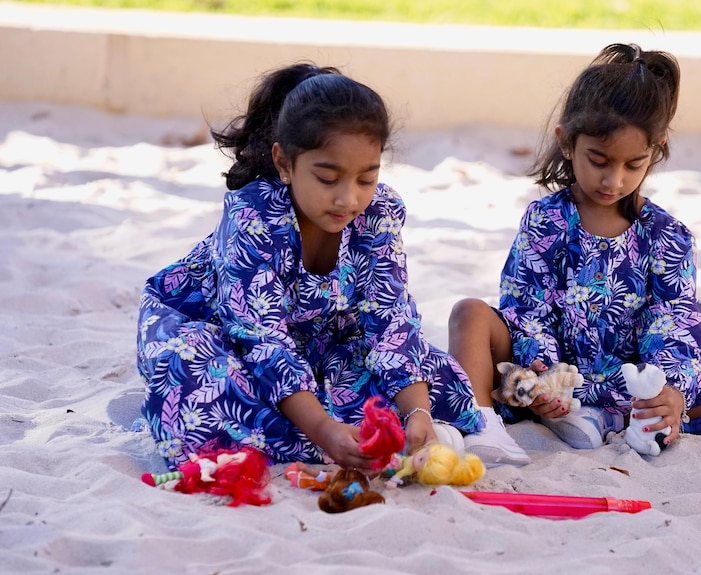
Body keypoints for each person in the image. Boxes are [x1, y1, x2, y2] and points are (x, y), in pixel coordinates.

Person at [137, 63, 484, 474]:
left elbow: (390, 321)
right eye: (327, 178)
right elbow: (261, 338)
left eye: (366, 178)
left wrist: (417, 417)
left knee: (435, 381)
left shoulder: (381, 211)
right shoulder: (254, 216)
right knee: (193, 375)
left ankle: (319, 429)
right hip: (224, 332)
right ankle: (316, 433)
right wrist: (323, 430)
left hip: (321, 338)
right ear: (284, 163)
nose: (348, 199)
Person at [448, 43, 701, 466]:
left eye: (633, 164)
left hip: (629, 380)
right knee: (470, 315)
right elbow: (526, 307)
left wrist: (670, 390)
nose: (613, 179)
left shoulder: (667, 235)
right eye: (598, 160)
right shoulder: (547, 219)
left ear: (654, 152)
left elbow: (675, 319)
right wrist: (548, 378)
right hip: (543, 376)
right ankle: (485, 426)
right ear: (567, 143)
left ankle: (607, 417)